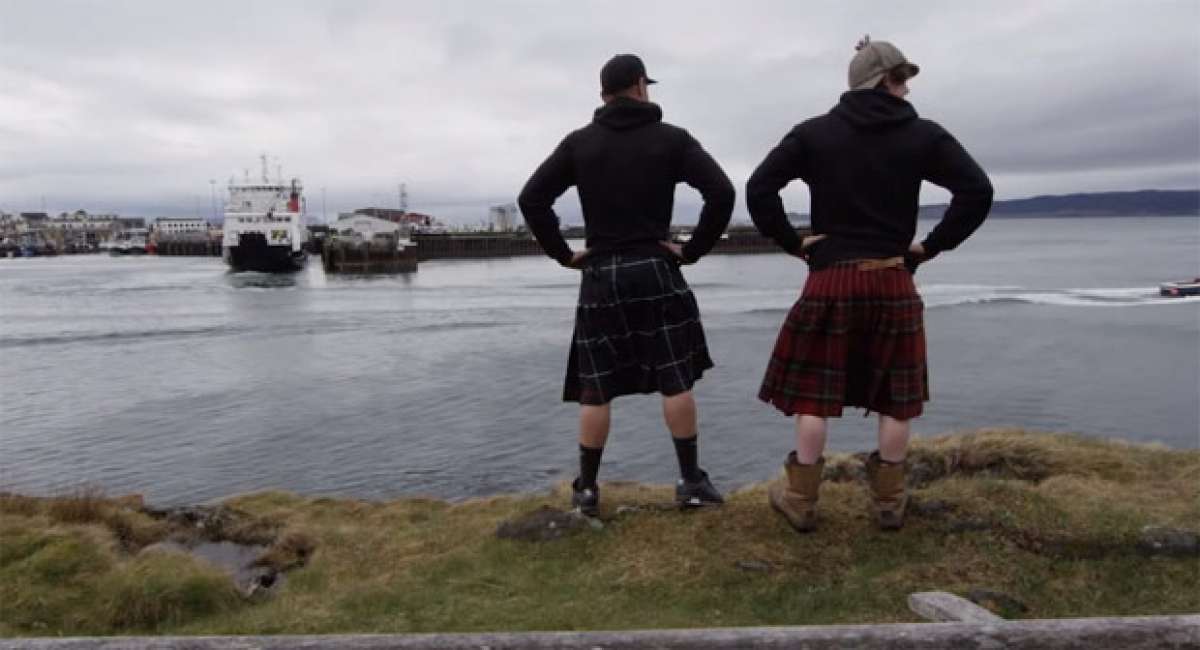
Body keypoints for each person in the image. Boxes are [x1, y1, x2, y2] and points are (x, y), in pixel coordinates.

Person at [746, 37, 993, 532]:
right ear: (885, 82)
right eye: (901, 79)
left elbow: (759, 188)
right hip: (891, 275)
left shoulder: (814, 134)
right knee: (894, 399)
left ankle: (800, 499)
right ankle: (888, 503)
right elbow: (977, 191)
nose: (905, 89)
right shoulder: (924, 135)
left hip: (831, 277)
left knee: (815, 396)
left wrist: (796, 244)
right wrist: (931, 245)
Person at [518, 54, 735, 516]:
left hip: (601, 275)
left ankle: (588, 490)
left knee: (596, 388)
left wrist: (564, 254)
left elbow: (531, 199)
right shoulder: (672, 139)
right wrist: (692, 250)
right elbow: (722, 193)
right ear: (640, 86)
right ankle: (690, 481)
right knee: (675, 380)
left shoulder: (580, 144)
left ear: (603, 94)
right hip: (657, 268)